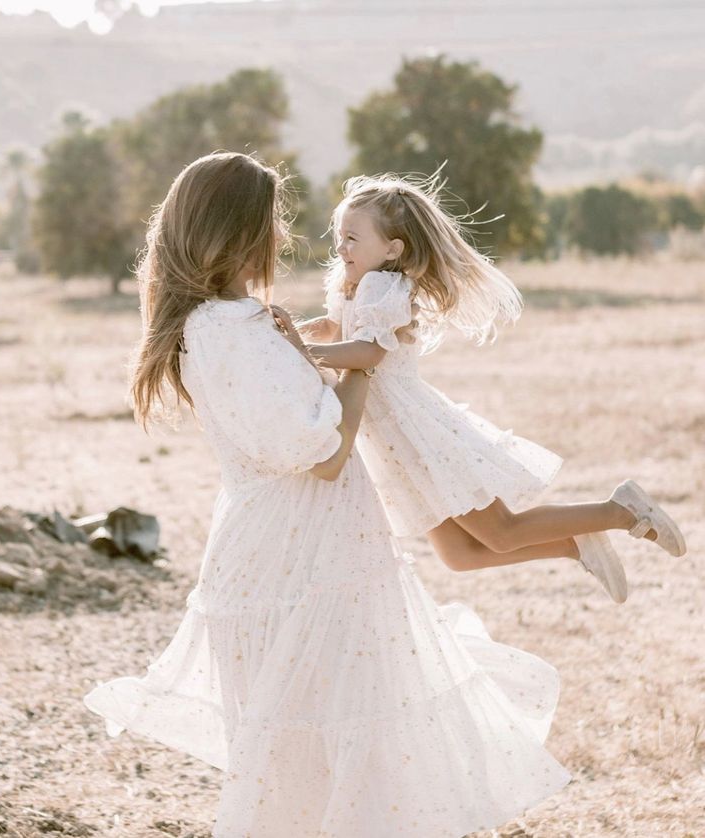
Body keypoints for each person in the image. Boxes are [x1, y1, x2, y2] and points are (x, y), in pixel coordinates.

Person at [83, 151, 572, 838]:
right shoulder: (233, 332)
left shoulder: (226, 324)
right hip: (302, 564)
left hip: (294, 554)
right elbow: (325, 453)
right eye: (270, 222)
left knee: (325, 760)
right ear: (237, 231)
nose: (281, 238)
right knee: (333, 761)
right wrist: (368, 362)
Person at [290, 172, 687, 605]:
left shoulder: (384, 286)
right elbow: (335, 328)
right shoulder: (354, 285)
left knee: (501, 532)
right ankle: (576, 545)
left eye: (351, 237)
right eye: (338, 236)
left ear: (392, 248)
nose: (340, 247)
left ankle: (621, 510)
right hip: (391, 446)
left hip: (414, 433)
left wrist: (301, 351)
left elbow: (367, 353)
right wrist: (292, 333)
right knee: (461, 555)